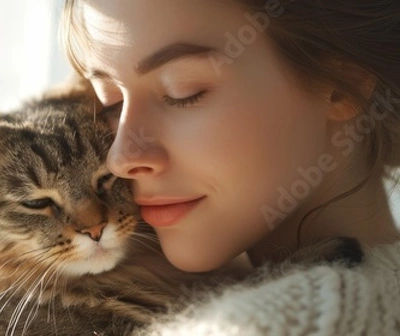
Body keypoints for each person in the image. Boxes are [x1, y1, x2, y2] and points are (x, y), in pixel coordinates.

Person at [61, 0, 400, 334]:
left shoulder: (287, 321)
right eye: (110, 104)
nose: (121, 158)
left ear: (341, 87)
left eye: (183, 92)